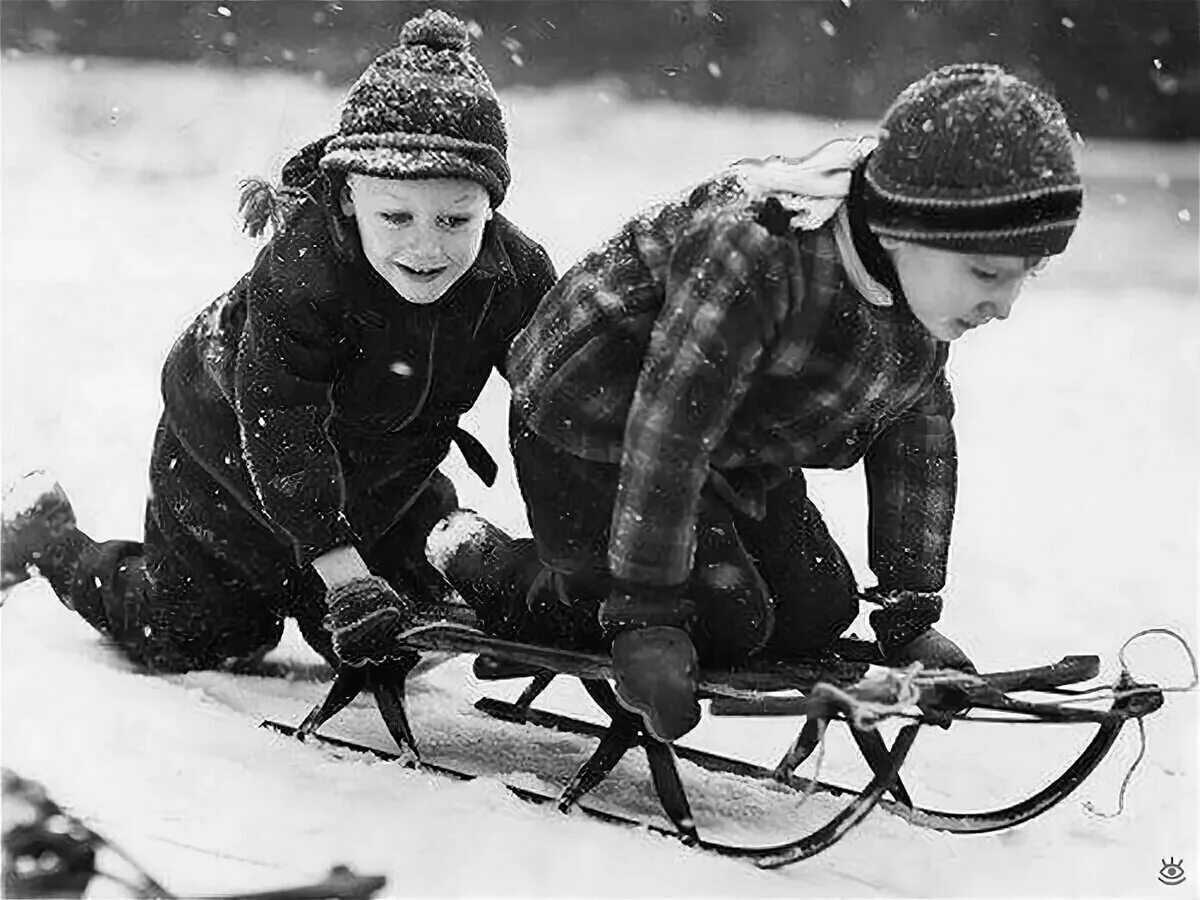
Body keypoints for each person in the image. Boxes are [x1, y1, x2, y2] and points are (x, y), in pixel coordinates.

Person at [450, 63, 1083, 742]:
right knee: (724, 618)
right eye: (988, 274)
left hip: (732, 436)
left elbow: (917, 436)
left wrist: (909, 616)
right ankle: (483, 559)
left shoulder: (915, 293)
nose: (1006, 305)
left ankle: (647, 584)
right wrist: (644, 616)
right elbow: (669, 431)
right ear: (901, 227)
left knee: (817, 607)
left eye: (1028, 275)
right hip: (589, 422)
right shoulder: (758, 246)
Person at [0, 10, 557, 674]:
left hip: (387, 472)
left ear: (490, 205)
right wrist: (343, 575)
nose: (426, 245)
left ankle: (453, 544)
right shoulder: (303, 275)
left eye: (456, 218)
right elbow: (281, 428)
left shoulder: (512, 276)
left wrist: (575, 555)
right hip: (228, 464)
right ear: (348, 199)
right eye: (396, 216)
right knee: (200, 638)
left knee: (389, 644)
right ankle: (49, 538)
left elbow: (559, 404)